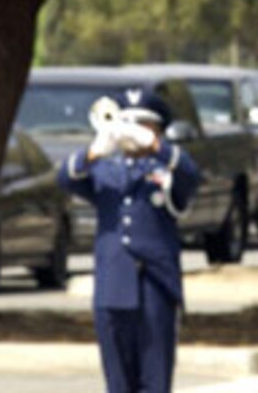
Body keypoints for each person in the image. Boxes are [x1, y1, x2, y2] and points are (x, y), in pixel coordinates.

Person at [57, 88, 200, 393]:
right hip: (113, 286)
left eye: (144, 125)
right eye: (129, 124)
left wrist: (155, 147)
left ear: (158, 130)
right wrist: (97, 149)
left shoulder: (166, 168)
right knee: (118, 383)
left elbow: (191, 176)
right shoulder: (105, 170)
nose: (133, 133)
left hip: (155, 287)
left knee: (155, 381)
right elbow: (66, 178)